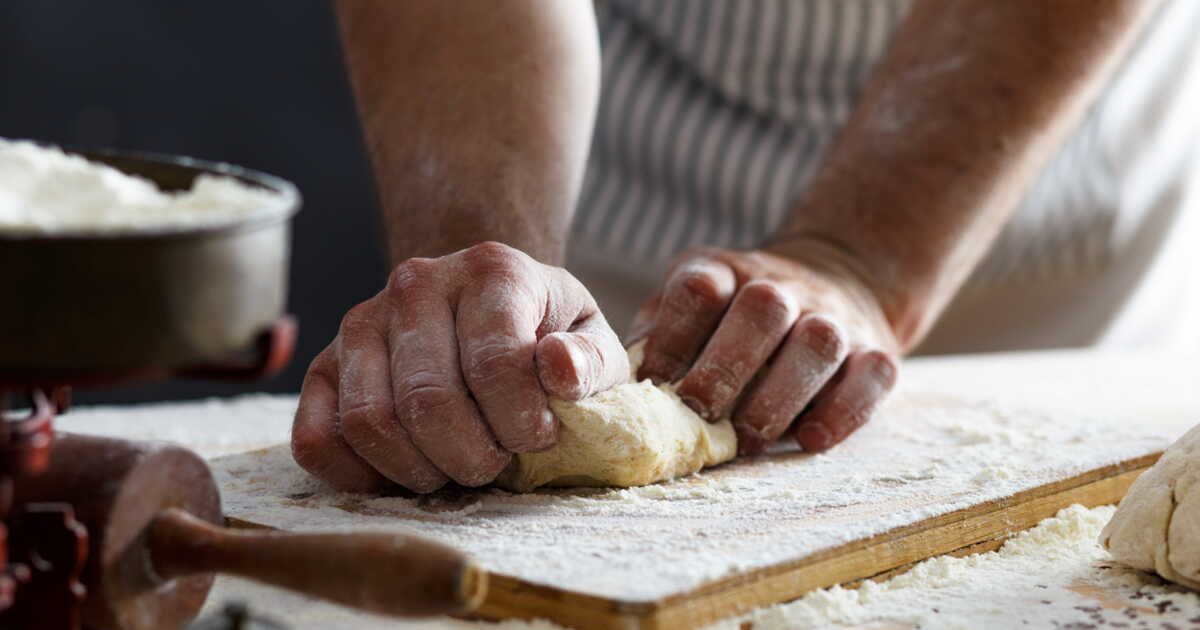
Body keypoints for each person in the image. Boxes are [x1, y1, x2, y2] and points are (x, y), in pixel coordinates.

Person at [292, 0, 1200, 493]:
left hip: (1037, 236)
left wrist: (860, 260)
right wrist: (482, 276)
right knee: (532, 417)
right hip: (619, 188)